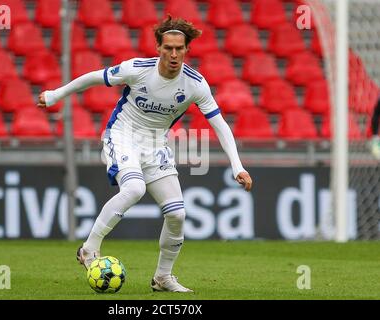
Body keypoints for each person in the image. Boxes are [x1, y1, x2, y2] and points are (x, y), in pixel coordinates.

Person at [37, 16, 252, 293]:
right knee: (135, 187)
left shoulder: (195, 84)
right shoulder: (137, 69)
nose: (173, 54)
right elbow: (94, 77)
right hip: (122, 135)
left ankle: (163, 277)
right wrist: (56, 95)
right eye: (168, 48)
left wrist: (238, 167)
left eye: (179, 49)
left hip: (155, 146)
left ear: (187, 50)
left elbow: (220, 125)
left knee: (178, 214)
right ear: (158, 48)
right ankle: (89, 249)